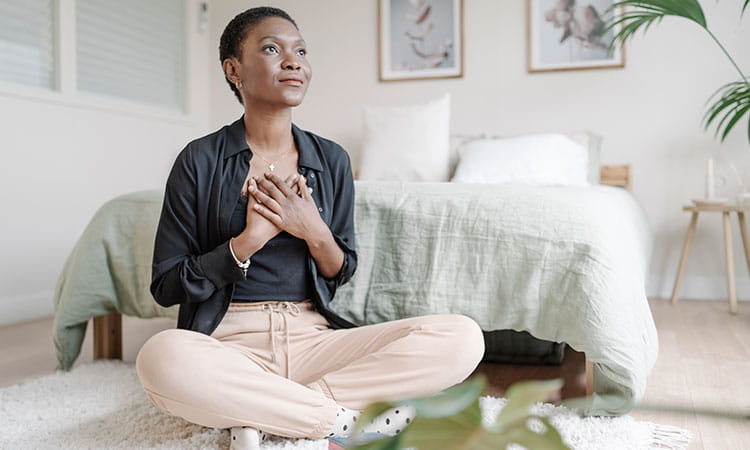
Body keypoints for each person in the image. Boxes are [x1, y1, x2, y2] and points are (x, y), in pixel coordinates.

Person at [134, 6, 485, 449]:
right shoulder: (199, 160)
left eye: (300, 50)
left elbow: (341, 271)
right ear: (233, 69)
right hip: (228, 343)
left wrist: (313, 229)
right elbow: (167, 285)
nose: (293, 61)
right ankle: (339, 421)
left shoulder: (332, 160)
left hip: (314, 341)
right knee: (161, 358)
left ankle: (266, 415)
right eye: (271, 49)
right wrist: (246, 243)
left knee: (461, 337)